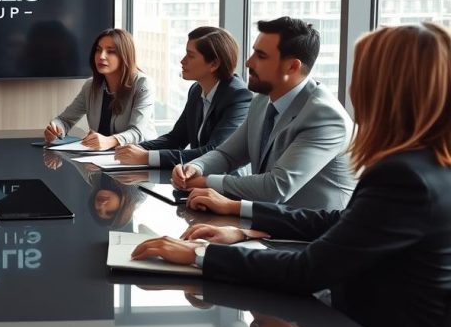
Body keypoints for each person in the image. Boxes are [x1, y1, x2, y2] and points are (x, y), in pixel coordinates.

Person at [132, 23, 451, 327]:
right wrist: (243, 226)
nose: (352, 88)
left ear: (386, 88)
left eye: (361, 75)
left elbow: (307, 270)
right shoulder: (424, 166)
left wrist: (199, 256)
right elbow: (336, 221)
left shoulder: (405, 177)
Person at [171, 17, 354, 210]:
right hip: (266, 219)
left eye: (261, 56)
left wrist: (206, 182)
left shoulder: (325, 117)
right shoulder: (261, 101)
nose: (248, 62)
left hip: (311, 228)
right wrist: (196, 167)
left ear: (292, 67)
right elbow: (227, 154)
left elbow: (276, 187)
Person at [115, 27, 252, 168]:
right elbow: (176, 138)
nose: (182, 61)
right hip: (194, 176)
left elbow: (214, 152)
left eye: (190, 56)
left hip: (223, 180)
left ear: (214, 64)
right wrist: (135, 149)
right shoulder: (196, 90)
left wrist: (146, 157)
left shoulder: (238, 96)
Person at [44, 28, 155, 150]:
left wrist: (110, 141)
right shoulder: (90, 86)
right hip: (102, 156)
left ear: (125, 55)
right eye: (98, 50)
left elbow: (138, 132)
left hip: (139, 155)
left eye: (110, 51)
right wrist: (56, 129)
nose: (101, 56)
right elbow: (65, 120)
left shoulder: (143, 84)